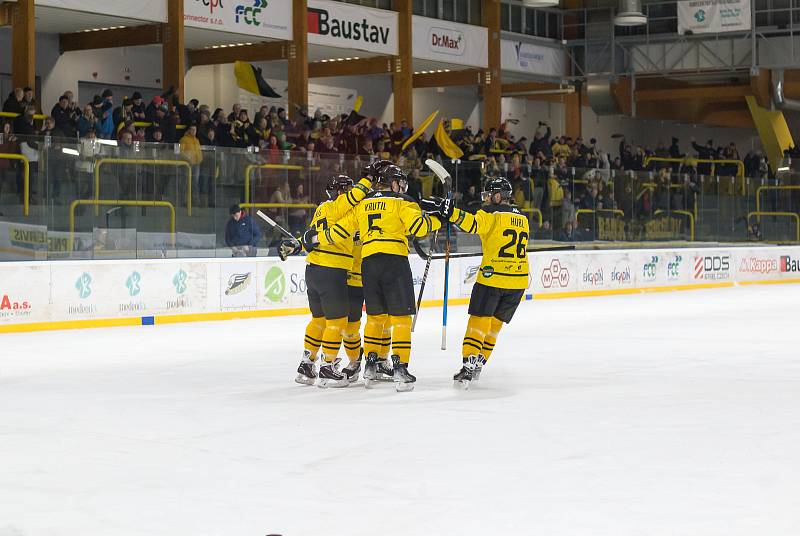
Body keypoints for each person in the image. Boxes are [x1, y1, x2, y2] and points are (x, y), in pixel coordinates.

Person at [304, 164, 442, 392]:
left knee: (376, 318)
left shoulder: (363, 203)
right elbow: (418, 227)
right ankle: (400, 368)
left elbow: (341, 230)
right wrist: (439, 219)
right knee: (401, 320)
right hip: (393, 262)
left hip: (369, 265)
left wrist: (317, 238)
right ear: (394, 183)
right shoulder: (402, 201)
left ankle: (370, 365)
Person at [421, 177, 530, 388]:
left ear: (498, 196)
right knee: (494, 328)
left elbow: (472, 225)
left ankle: (468, 364)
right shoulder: (523, 218)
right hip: (518, 282)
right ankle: (479, 363)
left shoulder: (491, 212)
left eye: (489, 195)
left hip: (492, 278)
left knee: (478, 323)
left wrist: (450, 212)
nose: (486, 199)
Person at [279, 169, 377, 387]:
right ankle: (327, 368)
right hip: (332, 269)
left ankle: (307, 364)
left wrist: (296, 243)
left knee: (319, 320)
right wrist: (368, 179)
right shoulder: (340, 206)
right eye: (347, 190)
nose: (351, 193)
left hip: (313, 269)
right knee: (337, 322)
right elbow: (355, 196)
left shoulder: (321, 209)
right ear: (341, 191)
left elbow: (311, 237)